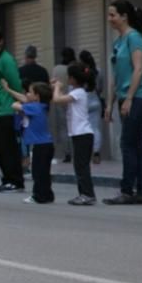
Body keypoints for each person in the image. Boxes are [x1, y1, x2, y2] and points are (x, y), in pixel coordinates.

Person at [103, 0, 142, 206]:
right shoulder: (118, 42)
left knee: (127, 143)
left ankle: (128, 190)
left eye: (112, 15)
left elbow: (139, 69)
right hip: (125, 96)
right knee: (137, 144)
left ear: (124, 16)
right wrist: (109, 103)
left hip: (140, 96)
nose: (110, 19)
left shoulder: (135, 38)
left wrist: (130, 98)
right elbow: (115, 76)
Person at [0, 27, 25, 192]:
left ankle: (15, 181)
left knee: (8, 148)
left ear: (0, 41)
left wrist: (19, 105)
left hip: (6, 110)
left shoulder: (6, 60)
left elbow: (16, 83)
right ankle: (7, 179)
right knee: (0, 148)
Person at [3, 81, 55, 204]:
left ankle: (39, 196)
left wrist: (19, 100)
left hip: (40, 145)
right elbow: (24, 99)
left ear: (37, 96)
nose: (27, 93)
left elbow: (15, 105)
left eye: (30, 92)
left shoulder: (34, 107)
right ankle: (47, 195)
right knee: (44, 172)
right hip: (47, 144)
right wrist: (9, 90)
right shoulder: (41, 106)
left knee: (37, 173)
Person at [52, 64, 97, 205]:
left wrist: (58, 88)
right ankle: (84, 193)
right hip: (79, 134)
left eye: (69, 77)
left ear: (73, 78)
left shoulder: (78, 93)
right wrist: (55, 87)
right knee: (79, 165)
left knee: (81, 166)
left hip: (83, 134)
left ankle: (87, 194)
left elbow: (57, 100)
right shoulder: (76, 92)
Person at [78, 50, 104, 164]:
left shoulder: (81, 72)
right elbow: (100, 87)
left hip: (84, 102)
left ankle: (86, 152)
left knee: (85, 128)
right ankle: (96, 152)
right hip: (95, 100)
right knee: (96, 128)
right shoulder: (98, 71)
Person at [52, 47, 75, 162]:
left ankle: (67, 153)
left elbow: (53, 83)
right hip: (73, 100)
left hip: (60, 99)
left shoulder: (57, 69)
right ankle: (76, 151)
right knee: (74, 126)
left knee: (63, 127)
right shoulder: (75, 68)